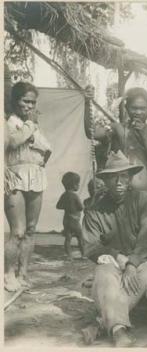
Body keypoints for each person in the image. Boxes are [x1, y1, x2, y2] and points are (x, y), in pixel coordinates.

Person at [82, 151, 147, 347]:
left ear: (130, 178)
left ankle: (100, 322)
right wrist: (117, 256)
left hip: (141, 261)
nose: (118, 181)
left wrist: (132, 263)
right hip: (112, 262)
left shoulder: (144, 200)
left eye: (124, 176)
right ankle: (118, 330)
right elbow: (90, 246)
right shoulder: (95, 208)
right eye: (113, 177)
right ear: (105, 180)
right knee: (104, 274)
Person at [4, 82, 52, 292]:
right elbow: (13, 143)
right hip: (15, 176)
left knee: (31, 230)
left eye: (33, 102)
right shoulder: (9, 123)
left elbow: (47, 150)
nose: (29, 106)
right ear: (15, 102)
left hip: (35, 176)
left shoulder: (33, 125)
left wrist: (39, 162)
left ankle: (23, 273)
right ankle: (8, 274)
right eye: (25, 101)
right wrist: (30, 126)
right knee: (18, 231)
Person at [83, 85, 147, 191]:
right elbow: (91, 133)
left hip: (146, 196)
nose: (138, 112)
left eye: (143, 108)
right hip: (121, 194)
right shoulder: (118, 129)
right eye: (134, 108)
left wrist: (144, 137)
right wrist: (87, 103)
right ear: (126, 108)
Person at [56, 172, 84, 260]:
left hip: (66, 219)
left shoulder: (64, 195)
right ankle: (84, 254)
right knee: (80, 237)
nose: (79, 186)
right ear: (74, 185)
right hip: (75, 220)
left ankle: (69, 256)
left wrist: (67, 206)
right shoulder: (75, 196)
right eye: (78, 184)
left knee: (68, 238)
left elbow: (58, 206)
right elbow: (81, 207)